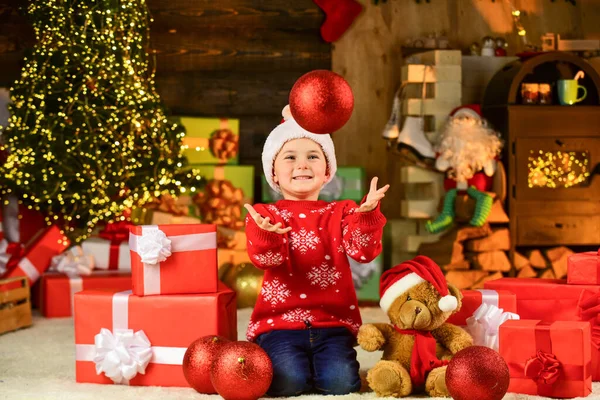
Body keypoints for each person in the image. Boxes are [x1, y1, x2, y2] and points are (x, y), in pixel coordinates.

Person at [244, 105, 389, 396]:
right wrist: (267, 235)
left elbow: (363, 252)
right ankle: (280, 357)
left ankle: (320, 364)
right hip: (280, 324)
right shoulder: (265, 215)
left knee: (339, 385)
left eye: (313, 156)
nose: (302, 165)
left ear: (327, 172)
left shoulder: (343, 211)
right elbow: (266, 259)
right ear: (274, 171)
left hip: (332, 324)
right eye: (290, 157)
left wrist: (367, 216)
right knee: (288, 384)